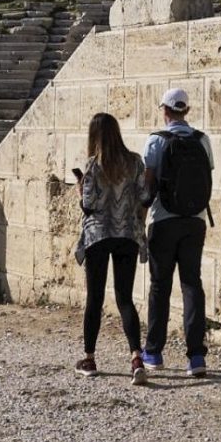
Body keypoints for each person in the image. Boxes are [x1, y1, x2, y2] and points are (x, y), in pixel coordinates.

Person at [72, 112, 151, 381]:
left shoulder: (93, 166)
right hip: (127, 234)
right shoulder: (135, 162)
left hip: (98, 235)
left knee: (95, 298)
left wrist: (79, 189)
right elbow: (144, 197)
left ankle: (90, 358)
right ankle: (136, 357)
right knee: (124, 297)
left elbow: (89, 205)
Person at [142, 86, 214, 377]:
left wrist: (139, 223)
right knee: (192, 284)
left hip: (163, 220)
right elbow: (207, 177)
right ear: (187, 110)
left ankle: (154, 352)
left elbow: (147, 188)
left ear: (165, 110)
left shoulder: (156, 141)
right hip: (195, 221)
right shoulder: (202, 140)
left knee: (160, 286)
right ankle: (196, 357)